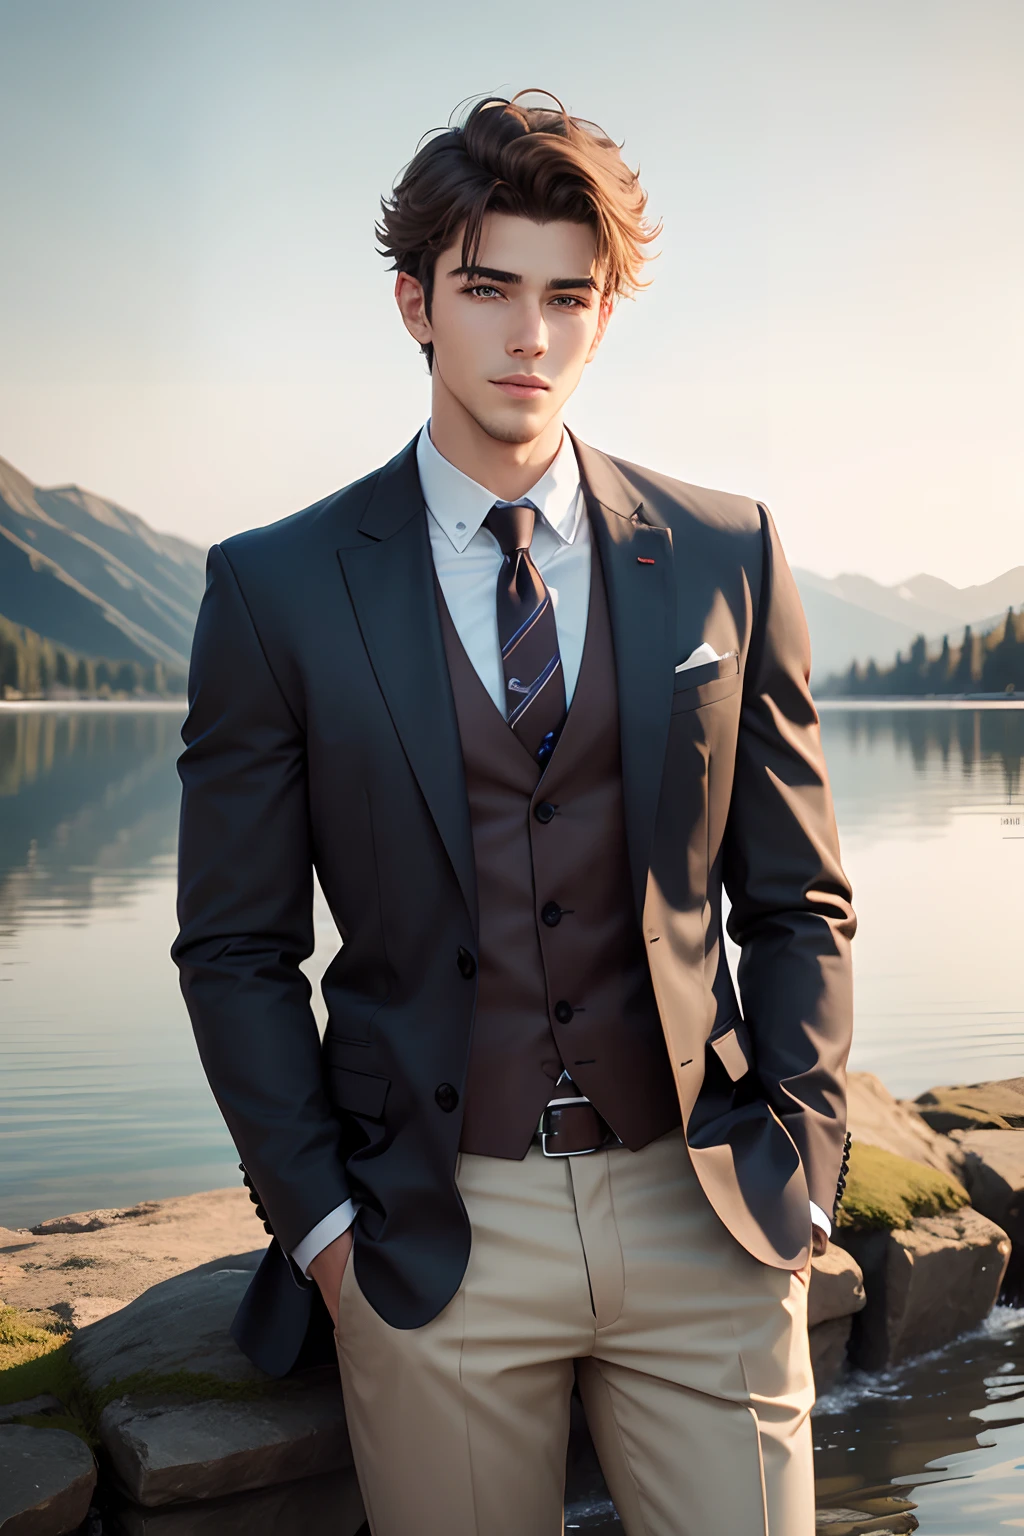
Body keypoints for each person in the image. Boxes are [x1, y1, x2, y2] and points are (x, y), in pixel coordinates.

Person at [172, 91, 856, 1536]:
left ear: (603, 313)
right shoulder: (276, 589)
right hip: (432, 1231)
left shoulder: (730, 552)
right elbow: (233, 947)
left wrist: (803, 1156)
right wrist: (328, 1232)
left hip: (704, 1210)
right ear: (417, 303)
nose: (529, 336)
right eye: (489, 290)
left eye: (567, 295)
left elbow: (797, 898)